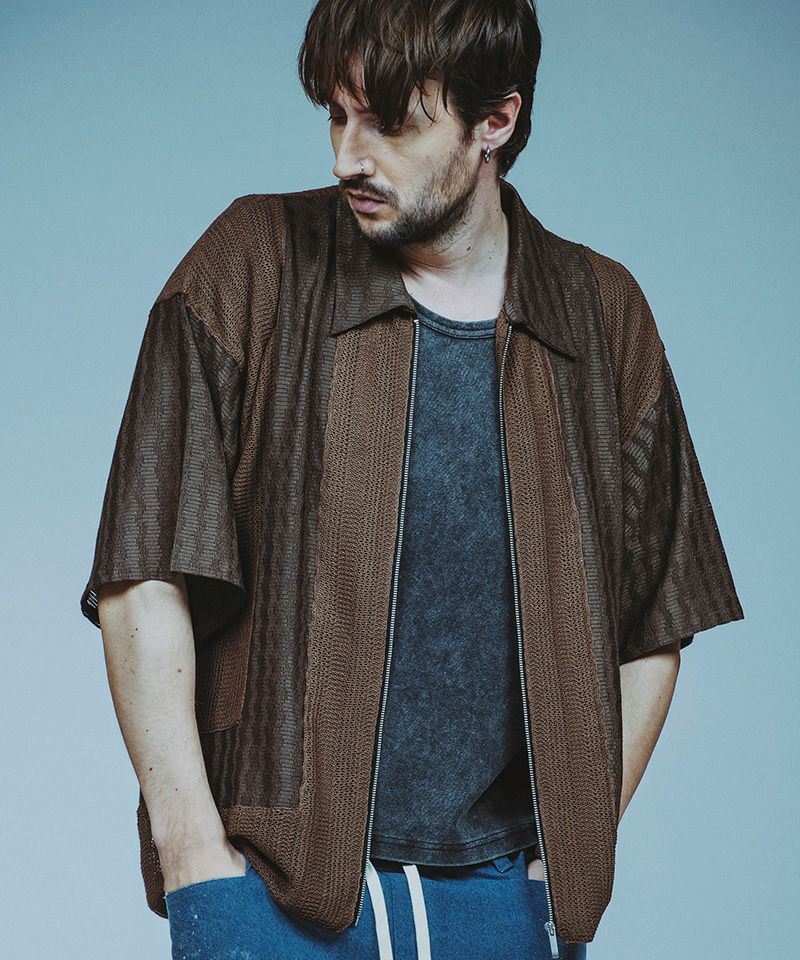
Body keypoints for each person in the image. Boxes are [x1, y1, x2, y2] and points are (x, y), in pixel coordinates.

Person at [80, 1, 745, 958]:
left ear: (495, 121)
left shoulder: (601, 318)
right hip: (271, 892)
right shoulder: (252, 262)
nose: (349, 156)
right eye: (337, 116)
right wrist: (193, 856)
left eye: (390, 123)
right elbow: (145, 570)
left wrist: (566, 856)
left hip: (504, 900)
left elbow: (655, 621)